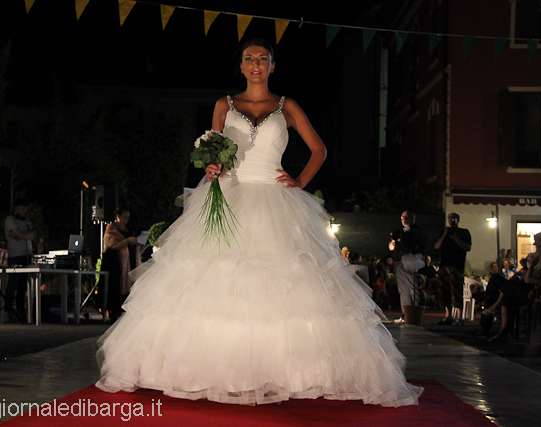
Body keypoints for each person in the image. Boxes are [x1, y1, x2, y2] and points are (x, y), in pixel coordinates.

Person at [95, 39, 422, 407]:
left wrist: (300, 181)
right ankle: (209, 370)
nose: (255, 64)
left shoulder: (287, 106)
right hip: (230, 194)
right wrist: (212, 167)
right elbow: (212, 149)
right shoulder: (224, 104)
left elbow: (319, 149)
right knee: (216, 281)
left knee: (285, 283)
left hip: (274, 197)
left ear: (272, 66)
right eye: (249, 58)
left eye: (263, 59)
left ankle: (284, 372)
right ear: (241, 65)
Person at [97, 205, 142, 322]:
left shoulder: (128, 230)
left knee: (127, 284)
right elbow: (111, 246)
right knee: (115, 286)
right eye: (125, 217)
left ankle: (124, 309)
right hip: (115, 263)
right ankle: (113, 311)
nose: (127, 220)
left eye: (128, 217)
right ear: (118, 216)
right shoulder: (111, 228)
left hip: (127, 262)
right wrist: (126, 241)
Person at [434, 213, 472, 326]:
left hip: (456, 266)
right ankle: (448, 315)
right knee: (444, 291)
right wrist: (444, 235)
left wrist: (455, 238)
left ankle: (459, 317)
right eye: (450, 219)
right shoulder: (444, 232)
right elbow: (437, 246)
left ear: (458, 220)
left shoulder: (463, 232)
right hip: (444, 265)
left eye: (454, 219)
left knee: (456, 291)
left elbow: (467, 247)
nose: (452, 221)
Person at [4, 197, 36, 322]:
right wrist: (23, 235)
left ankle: (21, 312)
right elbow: (22, 235)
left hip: (27, 255)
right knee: (13, 284)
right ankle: (7, 311)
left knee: (22, 286)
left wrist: (21, 235)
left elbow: (31, 234)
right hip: (16, 256)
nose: (25, 211)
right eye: (23, 208)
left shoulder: (26, 221)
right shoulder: (10, 220)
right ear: (16, 208)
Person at [389, 211, 425, 311]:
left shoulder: (416, 231)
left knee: (413, 288)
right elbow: (391, 247)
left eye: (407, 217)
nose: (404, 219)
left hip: (410, 262)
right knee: (403, 290)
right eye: (403, 217)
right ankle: (406, 313)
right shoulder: (399, 231)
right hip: (399, 262)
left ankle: (416, 312)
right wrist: (394, 240)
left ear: (412, 219)